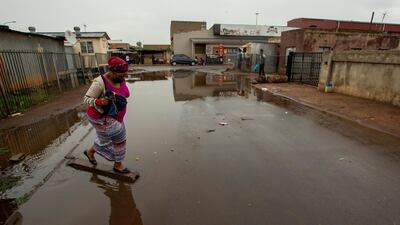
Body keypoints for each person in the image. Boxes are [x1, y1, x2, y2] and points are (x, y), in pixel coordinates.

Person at [83, 56, 131, 173]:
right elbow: (86, 99)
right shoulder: (99, 83)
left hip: (115, 116)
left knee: (112, 139)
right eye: (121, 75)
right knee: (117, 136)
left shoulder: (120, 79)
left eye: (125, 75)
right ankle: (116, 163)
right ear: (112, 72)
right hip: (99, 117)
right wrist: (100, 101)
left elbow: (125, 93)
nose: (123, 78)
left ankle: (91, 152)